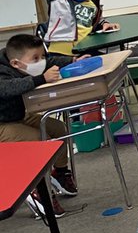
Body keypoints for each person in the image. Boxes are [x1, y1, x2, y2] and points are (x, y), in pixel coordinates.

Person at [0, 33, 79, 214]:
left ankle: (60, 173)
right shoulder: (2, 71)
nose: (41, 61)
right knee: (37, 140)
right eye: (36, 59)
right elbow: (6, 88)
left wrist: (73, 60)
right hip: (2, 124)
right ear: (15, 64)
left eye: (41, 56)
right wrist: (41, 79)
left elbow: (50, 61)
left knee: (58, 129)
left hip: (17, 115)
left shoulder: (21, 57)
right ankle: (36, 190)